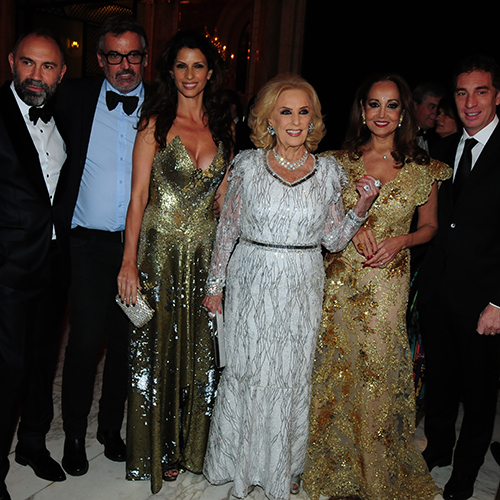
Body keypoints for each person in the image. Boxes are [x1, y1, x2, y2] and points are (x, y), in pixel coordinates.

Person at [202, 73, 379, 500]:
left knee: (289, 375)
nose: (296, 121)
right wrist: (215, 285)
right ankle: (238, 463)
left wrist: (361, 207)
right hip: (251, 277)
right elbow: (227, 229)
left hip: (302, 283)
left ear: (314, 120)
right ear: (269, 119)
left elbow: (333, 240)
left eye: (304, 112)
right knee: (247, 370)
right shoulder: (247, 165)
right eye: (286, 112)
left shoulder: (328, 172)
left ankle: (283, 467)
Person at [303, 73, 451, 500]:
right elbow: (320, 219)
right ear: (362, 110)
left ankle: (373, 465)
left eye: (391, 105)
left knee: (377, 371)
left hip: (388, 280)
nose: (382, 113)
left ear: (403, 112)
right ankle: (334, 462)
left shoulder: (423, 168)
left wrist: (402, 241)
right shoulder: (337, 163)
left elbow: (430, 227)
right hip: (339, 278)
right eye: (374, 104)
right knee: (336, 364)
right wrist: (353, 226)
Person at [117, 30, 234, 493]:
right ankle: (159, 449)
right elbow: (137, 198)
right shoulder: (154, 123)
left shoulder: (223, 127)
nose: (190, 74)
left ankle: (193, 446)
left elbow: (224, 201)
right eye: (181, 65)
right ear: (170, 71)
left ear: (210, 72)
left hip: (205, 256)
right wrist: (128, 262)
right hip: (158, 254)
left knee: (202, 352)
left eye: (198, 65)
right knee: (159, 349)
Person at [55, 15, 149, 476]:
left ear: (145, 59)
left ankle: (110, 429)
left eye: (133, 55)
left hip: (140, 246)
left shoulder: (164, 105)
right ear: (100, 59)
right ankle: (74, 434)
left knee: (127, 341)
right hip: (87, 245)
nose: (124, 65)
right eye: (115, 55)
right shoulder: (73, 98)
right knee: (86, 341)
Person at [418, 54, 500, 500]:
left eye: (480, 92)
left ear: (497, 96)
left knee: (480, 391)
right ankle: (438, 448)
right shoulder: (443, 150)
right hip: (438, 290)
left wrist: (499, 302)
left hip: (484, 300)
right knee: (441, 379)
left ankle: (466, 472)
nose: (470, 103)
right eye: (462, 93)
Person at [0, 30, 69, 500]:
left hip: (54, 263)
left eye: (47, 67)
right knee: (7, 369)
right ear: (12, 61)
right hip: (6, 268)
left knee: (44, 362)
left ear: (61, 73)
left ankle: (32, 444)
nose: (36, 75)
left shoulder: (66, 115)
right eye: (28, 63)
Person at [413, 81, 446, 152]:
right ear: (415, 105)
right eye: (432, 107)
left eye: (438, 109)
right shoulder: (401, 135)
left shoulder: (434, 139)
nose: (435, 113)